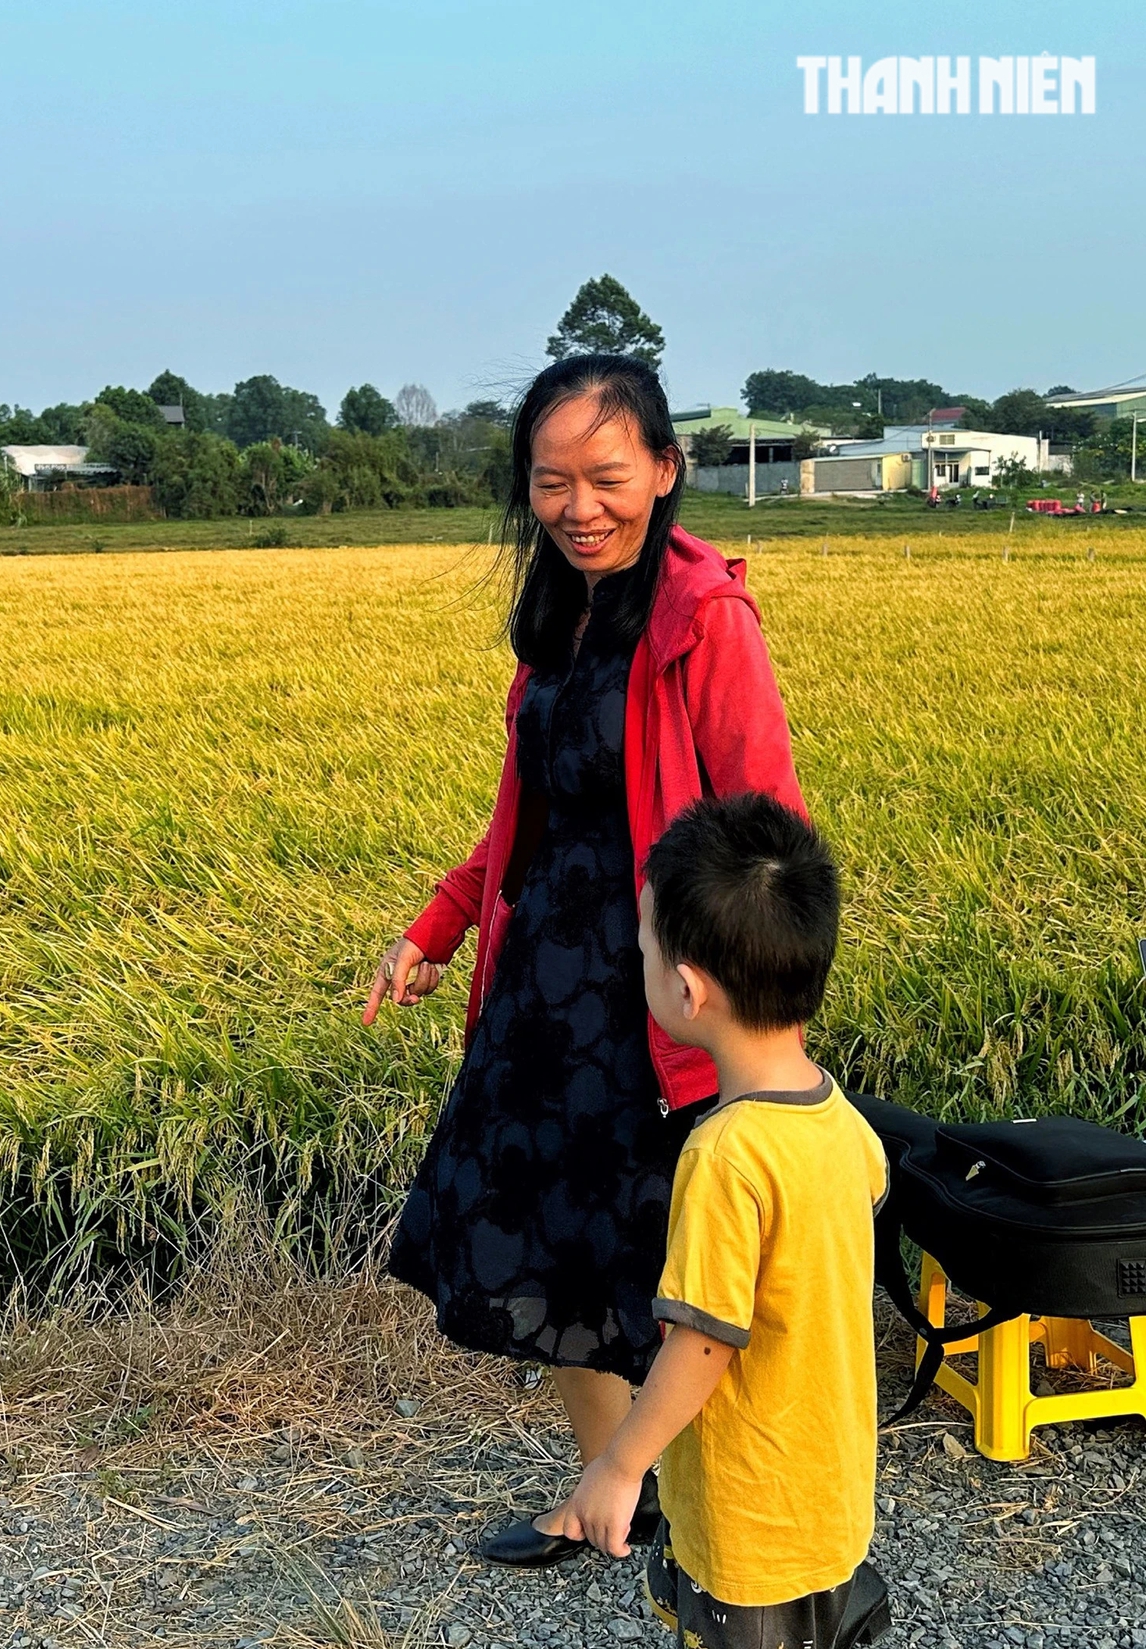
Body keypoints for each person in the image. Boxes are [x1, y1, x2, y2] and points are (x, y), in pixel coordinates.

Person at [361, 353, 805, 1566]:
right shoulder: (557, 621)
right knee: (552, 1248)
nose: (576, 506)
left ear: (663, 469)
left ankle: (730, 1517)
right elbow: (527, 821)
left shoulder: (702, 618)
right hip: (539, 1000)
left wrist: (755, 1025)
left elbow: (768, 832)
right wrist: (437, 928)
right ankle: (611, 1487)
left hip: (657, 1004)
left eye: (604, 476)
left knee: (670, 1266)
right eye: (549, 481)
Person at [553, 792, 890, 1648]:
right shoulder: (842, 1121)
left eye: (643, 949)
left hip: (750, 1522)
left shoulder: (724, 1156)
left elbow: (703, 1341)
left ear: (687, 987)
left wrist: (621, 1464)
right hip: (830, 1499)